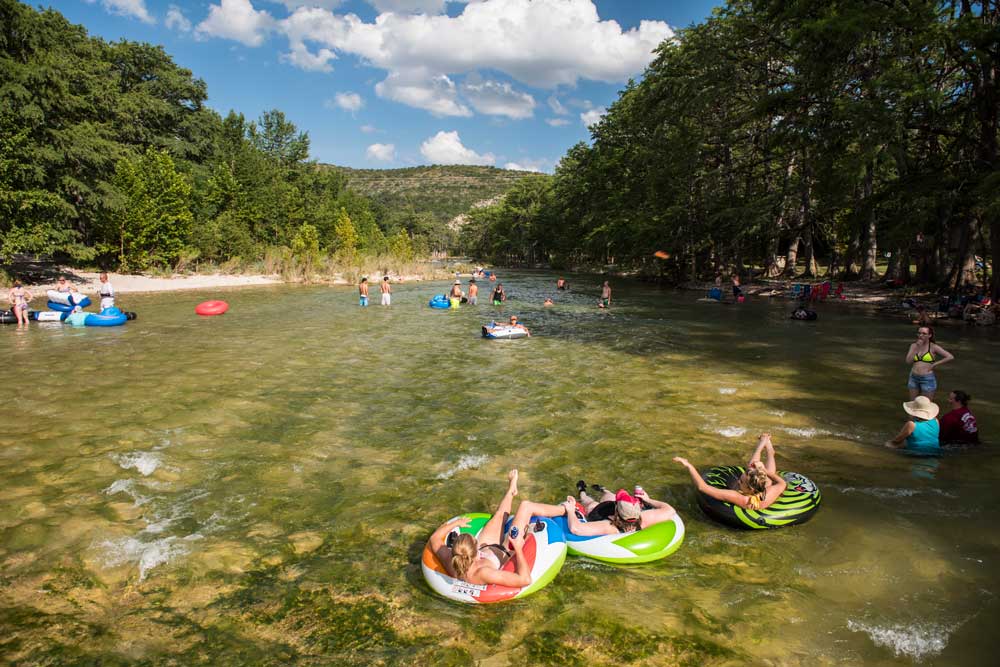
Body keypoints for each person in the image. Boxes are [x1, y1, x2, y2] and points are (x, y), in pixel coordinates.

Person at [427, 469, 537, 588]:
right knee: (524, 508)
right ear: (476, 552)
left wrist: (456, 523)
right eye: (474, 540)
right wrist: (518, 549)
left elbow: (434, 538)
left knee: (499, 516)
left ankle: (511, 490)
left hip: (486, 547)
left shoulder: (452, 563)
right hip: (502, 552)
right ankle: (561, 509)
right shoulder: (483, 573)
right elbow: (525, 580)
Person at [674, 433, 787, 511]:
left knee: (752, 468)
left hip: (749, 495)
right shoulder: (767, 491)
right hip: (760, 484)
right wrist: (766, 471)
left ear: (750, 489)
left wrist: (689, 465)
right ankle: (768, 450)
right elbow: (782, 483)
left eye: (741, 482)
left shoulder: (742, 499)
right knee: (758, 473)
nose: (738, 481)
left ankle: (763, 445)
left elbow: (703, 488)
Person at [560, 483, 678, 536]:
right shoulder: (645, 519)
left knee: (590, 503)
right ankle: (603, 489)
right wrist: (649, 499)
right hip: (619, 512)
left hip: (602, 511)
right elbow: (670, 510)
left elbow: (576, 529)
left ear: (616, 508)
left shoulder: (610, 527)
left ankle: (582, 491)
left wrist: (570, 509)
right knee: (609, 496)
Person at [906, 326, 953, 400]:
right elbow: (908, 361)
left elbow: (950, 356)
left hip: (927, 379)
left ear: (929, 335)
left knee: (925, 405)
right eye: (919, 333)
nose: (921, 335)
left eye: (924, 333)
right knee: (913, 405)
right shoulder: (913, 346)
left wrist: (934, 364)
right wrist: (917, 347)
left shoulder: (933, 347)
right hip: (913, 377)